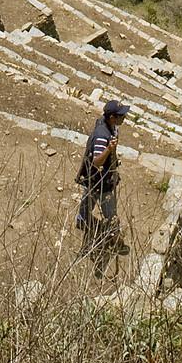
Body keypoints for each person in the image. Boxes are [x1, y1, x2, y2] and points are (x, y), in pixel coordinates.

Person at [76, 100, 130, 267]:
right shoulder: (102, 135)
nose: (124, 118)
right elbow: (97, 162)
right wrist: (109, 149)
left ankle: (83, 219)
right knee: (110, 212)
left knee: (88, 201)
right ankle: (114, 238)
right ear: (112, 117)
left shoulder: (111, 127)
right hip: (99, 180)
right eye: (121, 115)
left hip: (98, 178)